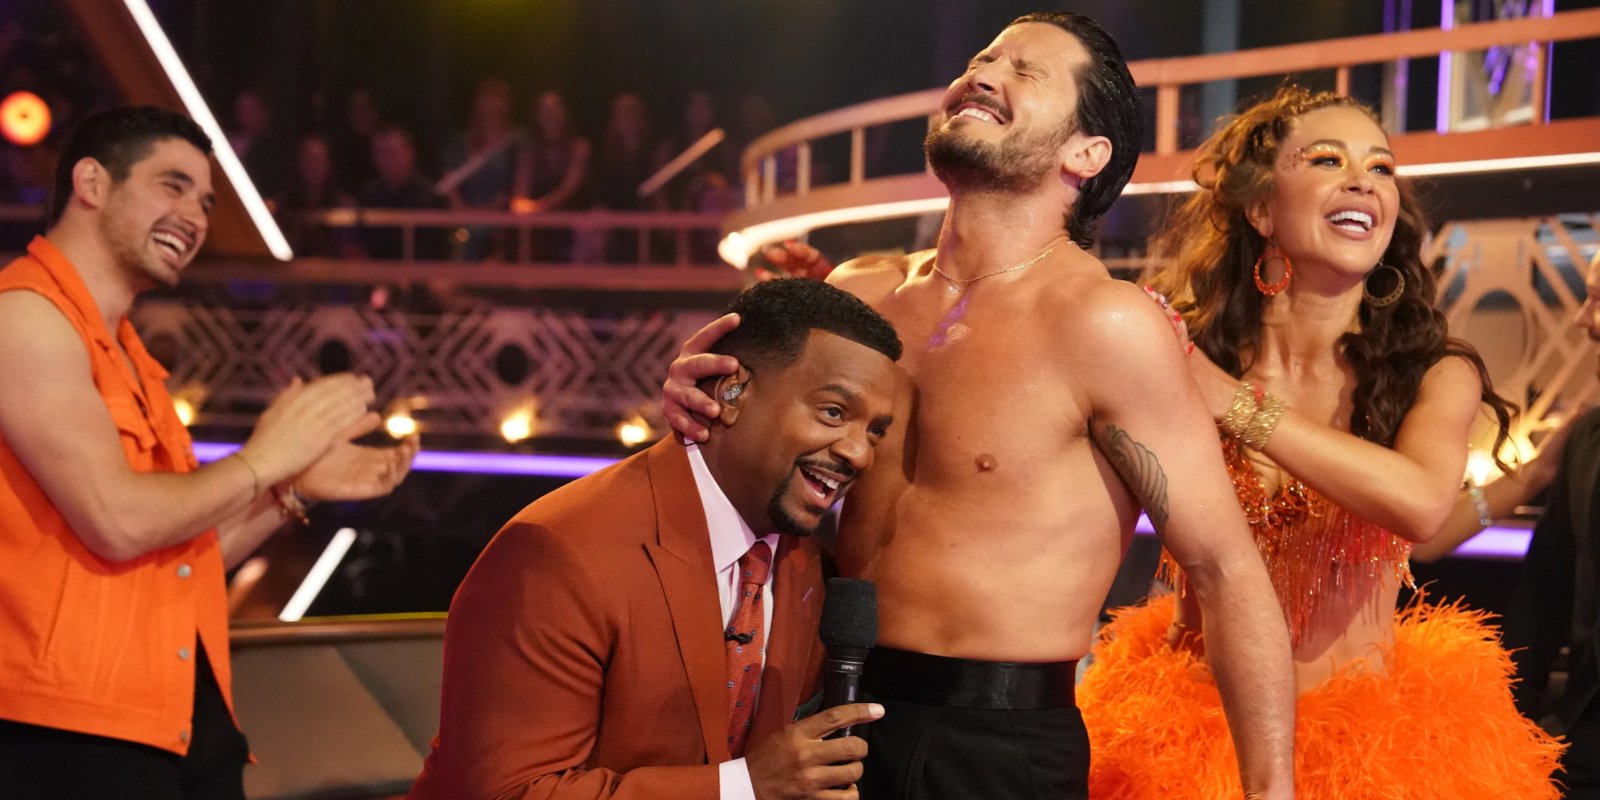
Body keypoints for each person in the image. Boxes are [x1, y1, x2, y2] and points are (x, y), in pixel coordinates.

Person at [663, 12, 1296, 799]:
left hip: (994, 747)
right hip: (817, 716)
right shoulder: (859, 299)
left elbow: (1226, 568)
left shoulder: (1105, 324)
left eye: (1026, 71)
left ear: (1085, 152)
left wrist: (1272, 790)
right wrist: (700, 410)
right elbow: (746, 491)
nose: (985, 73)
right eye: (983, 56)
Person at [1076, 86, 1564, 798]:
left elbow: (1424, 509)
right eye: (1328, 159)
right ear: (1263, 209)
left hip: (1375, 755)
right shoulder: (1179, 350)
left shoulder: (1433, 372)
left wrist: (1232, 404)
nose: (1362, 179)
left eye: (1382, 168)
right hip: (1182, 739)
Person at [0, 105, 418, 800]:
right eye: (173, 185)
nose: (196, 216)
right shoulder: (23, 318)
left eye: (205, 199)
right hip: (72, 734)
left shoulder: (133, 361)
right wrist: (265, 459)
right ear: (92, 183)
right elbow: (119, 519)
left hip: (174, 723)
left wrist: (294, 489)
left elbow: (175, 558)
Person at [409, 278, 907, 800]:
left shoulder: (805, 564)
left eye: (875, 430)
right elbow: (506, 794)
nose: (859, 453)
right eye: (833, 412)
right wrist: (744, 788)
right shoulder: (556, 551)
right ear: (729, 393)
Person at [1500, 250, 1600, 798]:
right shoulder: (1587, 438)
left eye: (1598, 300)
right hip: (1581, 745)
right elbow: (1545, 591)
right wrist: (1516, 725)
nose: (1583, 320)